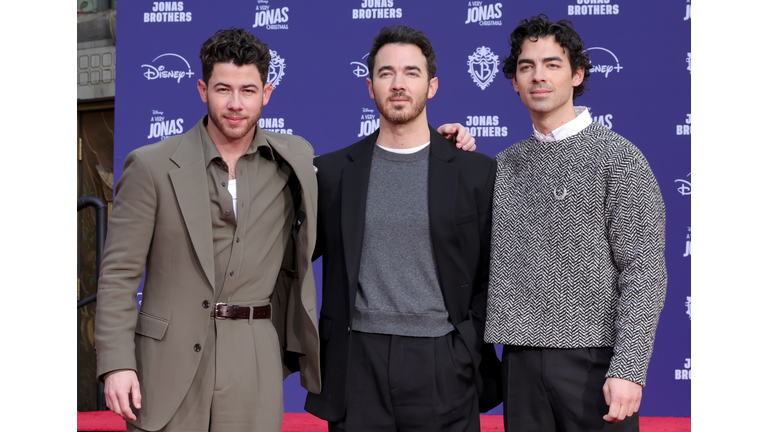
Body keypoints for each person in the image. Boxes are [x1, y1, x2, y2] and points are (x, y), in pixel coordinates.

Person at [94, 28, 475, 432]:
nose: (236, 104)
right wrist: (117, 363)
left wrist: (440, 145)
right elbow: (119, 274)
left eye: (248, 90)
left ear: (267, 93)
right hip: (167, 362)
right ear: (203, 89)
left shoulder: (293, 159)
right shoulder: (151, 166)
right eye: (223, 89)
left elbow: (390, 158)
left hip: (254, 359)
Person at [304, 25, 502, 431]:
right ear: (369, 85)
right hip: (357, 362)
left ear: (432, 86)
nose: (398, 84)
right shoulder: (333, 171)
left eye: (411, 72)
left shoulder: (475, 171)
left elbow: (495, 270)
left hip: (443, 361)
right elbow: (291, 256)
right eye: (385, 73)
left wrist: (464, 345)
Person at [485, 15, 667, 432]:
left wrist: (630, 367)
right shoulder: (504, 165)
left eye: (552, 64)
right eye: (526, 66)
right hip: (520, 359)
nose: (538, 76)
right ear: (514, 81)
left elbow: (644, 271)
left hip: (596, 364)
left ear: (577, 74)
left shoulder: (619, 159)